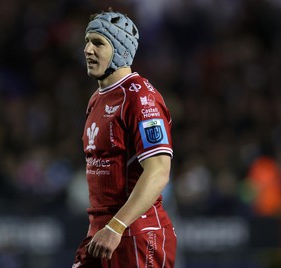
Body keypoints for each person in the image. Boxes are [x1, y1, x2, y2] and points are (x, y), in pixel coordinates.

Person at [72, 9, 177, 268]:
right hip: (101, 234)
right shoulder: (97, 99)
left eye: (98, 42)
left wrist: (116, 226)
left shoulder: (140, 97)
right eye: (87, 41)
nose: (87, 49)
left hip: (135, 236)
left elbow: (159, 171)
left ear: (120, 49)